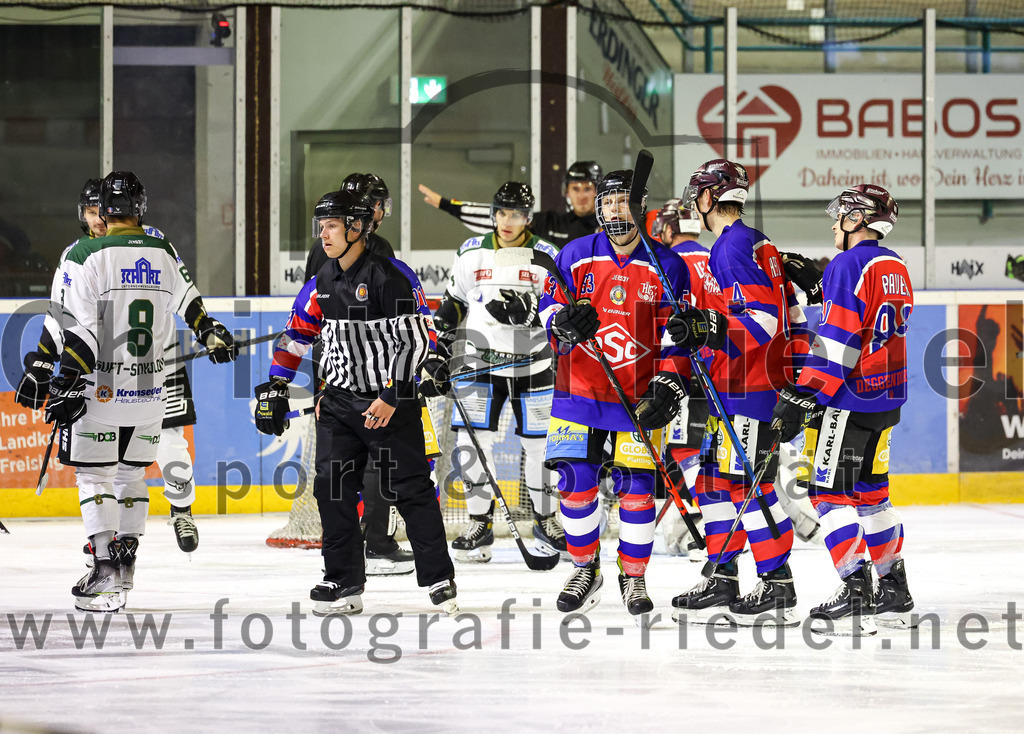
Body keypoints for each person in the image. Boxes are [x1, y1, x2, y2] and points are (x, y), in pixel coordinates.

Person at [255, 189, 457, 617]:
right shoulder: (321, 282)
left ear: (357, 227)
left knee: (412, 490)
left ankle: (439, 577)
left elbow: (417, 341)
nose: (323, 235)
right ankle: (343, 580)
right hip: (339, 405)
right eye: (321, 226)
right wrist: (275, 386)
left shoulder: (392, 277)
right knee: (332, 489)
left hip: (390, 403)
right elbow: (295, 338)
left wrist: (392, 396)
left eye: (331, 226)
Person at [44, 171, 236, 613]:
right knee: (132, 475)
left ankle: (106, 572)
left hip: (102, 390)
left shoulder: (86, 253)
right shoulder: (162, 248)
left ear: (103, 212)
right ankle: (126, 569)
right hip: (152, 392)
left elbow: (81, 332)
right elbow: (191, 303)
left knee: (95, 477)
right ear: (139, 208)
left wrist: (64, 378)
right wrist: (211, 333)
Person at [16, 179, 207, 557]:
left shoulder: (150, 241)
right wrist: (43, 361)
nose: (98, 219)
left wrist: (204, 325)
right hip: (107, 371)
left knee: (169, 444)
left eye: (99, 210)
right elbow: (62, 314)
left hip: (158, 364)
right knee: (120, 465)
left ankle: (179, 509)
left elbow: (184, 292)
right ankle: (118, 540)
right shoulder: (86, 252)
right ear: (87, 215)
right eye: (91, 212)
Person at [538, 170, 694, 622]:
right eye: (607, 202)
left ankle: (634, 575)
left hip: (638, 400)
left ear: (640, 206)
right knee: (574, 484)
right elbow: (549, 308)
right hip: (578, 391)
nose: (613, 210)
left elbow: (678, 334)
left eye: (623, 201)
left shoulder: (668, 265)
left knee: (637, 490)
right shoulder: (574, 255)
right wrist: (561, 322)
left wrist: (670, 381)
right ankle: (586, 570)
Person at [666, 159, 805, 628]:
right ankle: (723, 574)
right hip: (738, 383)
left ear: (709, 199)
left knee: (750, 486)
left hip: (751, 385)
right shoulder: (755, 241)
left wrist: (711, 329)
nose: (695, 205)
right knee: (711, 482)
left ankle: (777, 584)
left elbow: (763, 321)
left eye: (698, 196)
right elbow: (790, 310)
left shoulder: (730, 247)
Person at [772, 184, 915, 635]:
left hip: (850, 399)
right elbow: (872, 324)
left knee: (827, 493)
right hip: (886, 398)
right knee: (872, 494)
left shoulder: (846, 263)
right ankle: (893, 589)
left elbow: (839, 339)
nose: (835, 224)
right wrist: (820, 286)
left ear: (858, 219)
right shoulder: (896, 265)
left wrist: (803, 394)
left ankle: (857, 588)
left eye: (841, 217)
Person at [421, 181, 566, 562]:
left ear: (528, 218)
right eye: (501, 212)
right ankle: (479, 523)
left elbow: (561, 306)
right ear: (493, 214)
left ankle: (545, 521)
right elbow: (454, 302)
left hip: (532, 365)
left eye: (516, 214)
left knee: (539, 448)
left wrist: (533, 313)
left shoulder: (546, 254)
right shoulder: (471, 252)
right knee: (471, 446)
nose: (507, 221)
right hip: (479, 364)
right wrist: (440, 344)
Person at [301, 172, 421, 575]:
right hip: (372, 375)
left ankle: (352, 547)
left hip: (332, 372)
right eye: (377, 205)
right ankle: (379, 542)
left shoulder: (323, 245)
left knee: (338, 471)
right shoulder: (372, 248)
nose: (379, 213)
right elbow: (403, 324)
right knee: (379, 460)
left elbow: (310, 316)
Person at [418, 161, 602, 246]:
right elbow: (502, 215)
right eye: (575, 189)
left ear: (597, 190)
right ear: (566, 191)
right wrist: (447, 204)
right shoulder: (550, 222)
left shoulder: (609, 227)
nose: (581, 195)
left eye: (587, 188)